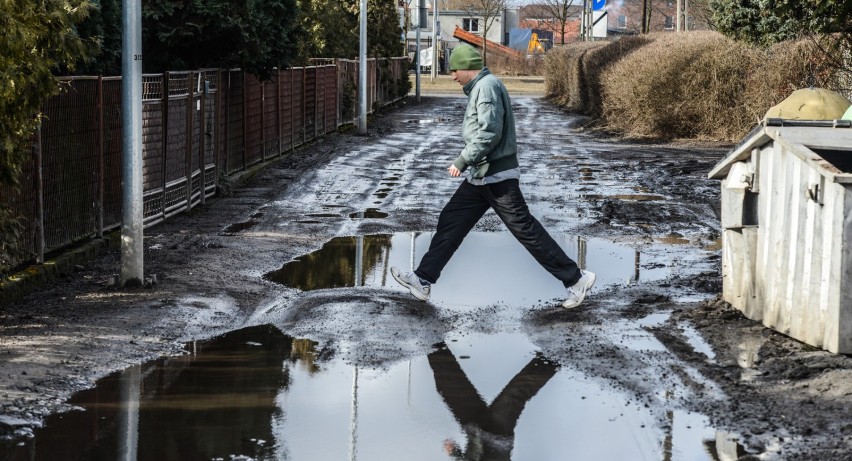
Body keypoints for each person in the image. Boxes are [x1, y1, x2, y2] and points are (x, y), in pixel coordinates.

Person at [391, 44, 595, 309]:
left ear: (467, 67)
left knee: (526, 231)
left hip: (495, 175)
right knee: (451, 220)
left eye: (455, 70)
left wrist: (463, 160)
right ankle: (422, 279)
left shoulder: (486, 88)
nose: (453, 76)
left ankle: (576, 279)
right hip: (482, 177)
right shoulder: (481, 87)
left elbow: (489, 133)